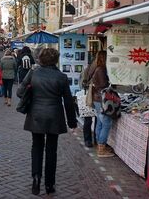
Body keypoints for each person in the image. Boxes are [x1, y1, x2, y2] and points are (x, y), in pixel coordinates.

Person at [17, 48, 77, 195]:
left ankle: (36, 178)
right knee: (51, 150)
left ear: (41, 59)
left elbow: (19, 92)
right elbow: (68, 101)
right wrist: (72, 122)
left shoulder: (33, 73)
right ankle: (49, 184)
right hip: (54, 116)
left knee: (36, 147)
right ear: (56, 60)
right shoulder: (61, 77)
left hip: (36, 115)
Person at [90, 51, 113, 157]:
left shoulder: (96, 68)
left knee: (100, 122)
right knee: (106, 123)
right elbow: (104, 84)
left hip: (97, 98)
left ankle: (100, 146)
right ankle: (101, 148)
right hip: (102, 99)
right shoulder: (101, 70)